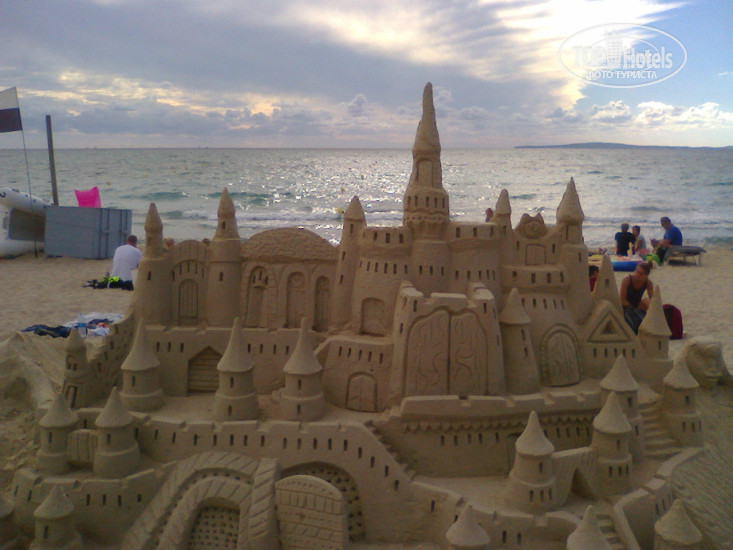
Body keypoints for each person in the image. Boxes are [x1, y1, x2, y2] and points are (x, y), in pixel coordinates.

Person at [620, 261, 654, 334]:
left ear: (646, 275)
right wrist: (632, 308)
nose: (637, 275)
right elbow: (622, 299)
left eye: (641, 274)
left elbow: (653, 299)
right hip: (625, 306)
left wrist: (651, 307)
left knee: (646, 301)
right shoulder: (627, 280)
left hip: (637, 305)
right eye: (637, 272)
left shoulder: (648, 283)